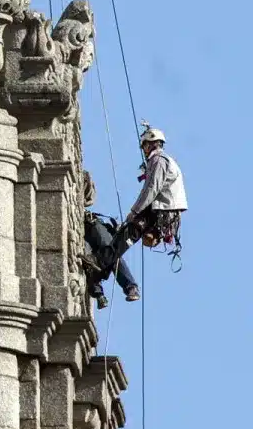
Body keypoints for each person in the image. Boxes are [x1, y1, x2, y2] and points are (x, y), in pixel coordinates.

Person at [100, 123, 187, 274]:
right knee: (129, 232)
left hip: (162, 210)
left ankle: (102, 262)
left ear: (151, 144)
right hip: (165, 211)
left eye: (145, 145)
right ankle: (104, 265)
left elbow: (151, 189)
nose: (144, 150)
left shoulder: (159, 160)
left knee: (129, 231)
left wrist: (134, 211)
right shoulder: (164, 160)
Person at [79, 173, 139, 306]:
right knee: (86, 259)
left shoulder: (84, 179)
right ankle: (99, 294)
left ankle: (131, 287)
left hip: (92, 224)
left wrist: (84, 179)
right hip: (82, 231)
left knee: (110, 252)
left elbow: (89, 197)